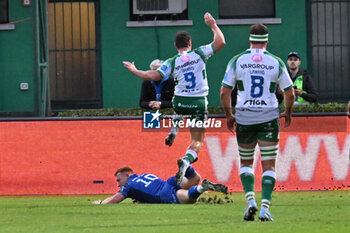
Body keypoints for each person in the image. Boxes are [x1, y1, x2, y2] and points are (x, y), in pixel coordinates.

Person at [123, 12, 225, 185]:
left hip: (180, 101)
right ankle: (186, 160)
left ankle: (174, 129)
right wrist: (213, 25)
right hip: (198, 101)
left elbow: (154, 74)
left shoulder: (173, 61)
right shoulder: (199, 53)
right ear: (189, 44)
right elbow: (220, 42)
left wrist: (134, 70)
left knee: (179, 104)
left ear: (176, 46)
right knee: (197, 141)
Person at [220, 24, 295, 221]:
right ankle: (264, 208)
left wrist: (229, 115)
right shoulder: (276, 62)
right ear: (267, 41)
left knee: (246, 162)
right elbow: (290, 92)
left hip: (244, 116)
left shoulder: (237, 60)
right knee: (268, 165)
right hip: (268, 116)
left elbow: (224, 91)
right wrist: (287, 112)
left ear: (250, 40)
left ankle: (250, 200)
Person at [92, 166, 227, 205]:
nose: (118, 185)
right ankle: (189, 168)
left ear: (127, 175)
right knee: (193, 180)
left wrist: (101, 202)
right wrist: (140, 198)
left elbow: (116, 198)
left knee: (189, 199)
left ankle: (202, 188)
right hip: (167, 182)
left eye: (118, 180)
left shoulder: (129, 186)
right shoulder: (144, 174)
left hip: (163, 194)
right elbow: (146, 190)